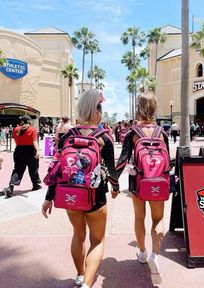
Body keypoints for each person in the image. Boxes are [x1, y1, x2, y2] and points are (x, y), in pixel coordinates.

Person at [42, 90, 120, 288]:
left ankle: (80, 274)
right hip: (96, 196)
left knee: (78, 234)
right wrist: (115, 187)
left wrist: (49, 197)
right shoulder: (104, 138)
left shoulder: (67, 135)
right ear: (98, 112)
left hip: (70, 194)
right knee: (98, 241)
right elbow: (111, 169)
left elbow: (57, 168)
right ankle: (87, 284)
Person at [115, 92, 169, 286]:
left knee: (140, 217)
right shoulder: (162, 132)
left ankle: (143, 253)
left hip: (137, 181)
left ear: (138, 109)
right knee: (158, 219)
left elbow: (122, 160)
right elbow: (167, 161)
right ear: (155, 109)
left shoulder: (132, 133)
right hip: (159, 181)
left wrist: (113, 184)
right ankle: (155, 255)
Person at [1, 115, 41, 198]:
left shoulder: (15, 129)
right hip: (30, 151)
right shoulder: (32, 129)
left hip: (19, 150)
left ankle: (11, 186)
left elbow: (15, 141)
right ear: (29, 121)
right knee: (33, 168)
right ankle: (35, 185)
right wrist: (37, 151)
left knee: (18, 170)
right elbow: (34, 141)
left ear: (21, 121)